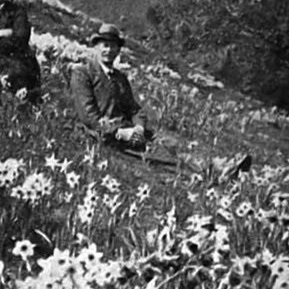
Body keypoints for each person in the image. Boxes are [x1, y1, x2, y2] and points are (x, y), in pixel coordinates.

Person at [71, 23, 251, 178]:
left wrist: (139, 127)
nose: (108, 50)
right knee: (161, 159)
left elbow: (134, 110)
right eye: (104, 45)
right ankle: (210, 174)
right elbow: (89, 117)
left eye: (113, 46)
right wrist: (120, 132)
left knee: (170, 141)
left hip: (130, 132)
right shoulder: (83, 73)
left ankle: (218, 166)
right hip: (104, 136)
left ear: (119, 50)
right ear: (96, 47)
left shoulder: (120, 78)